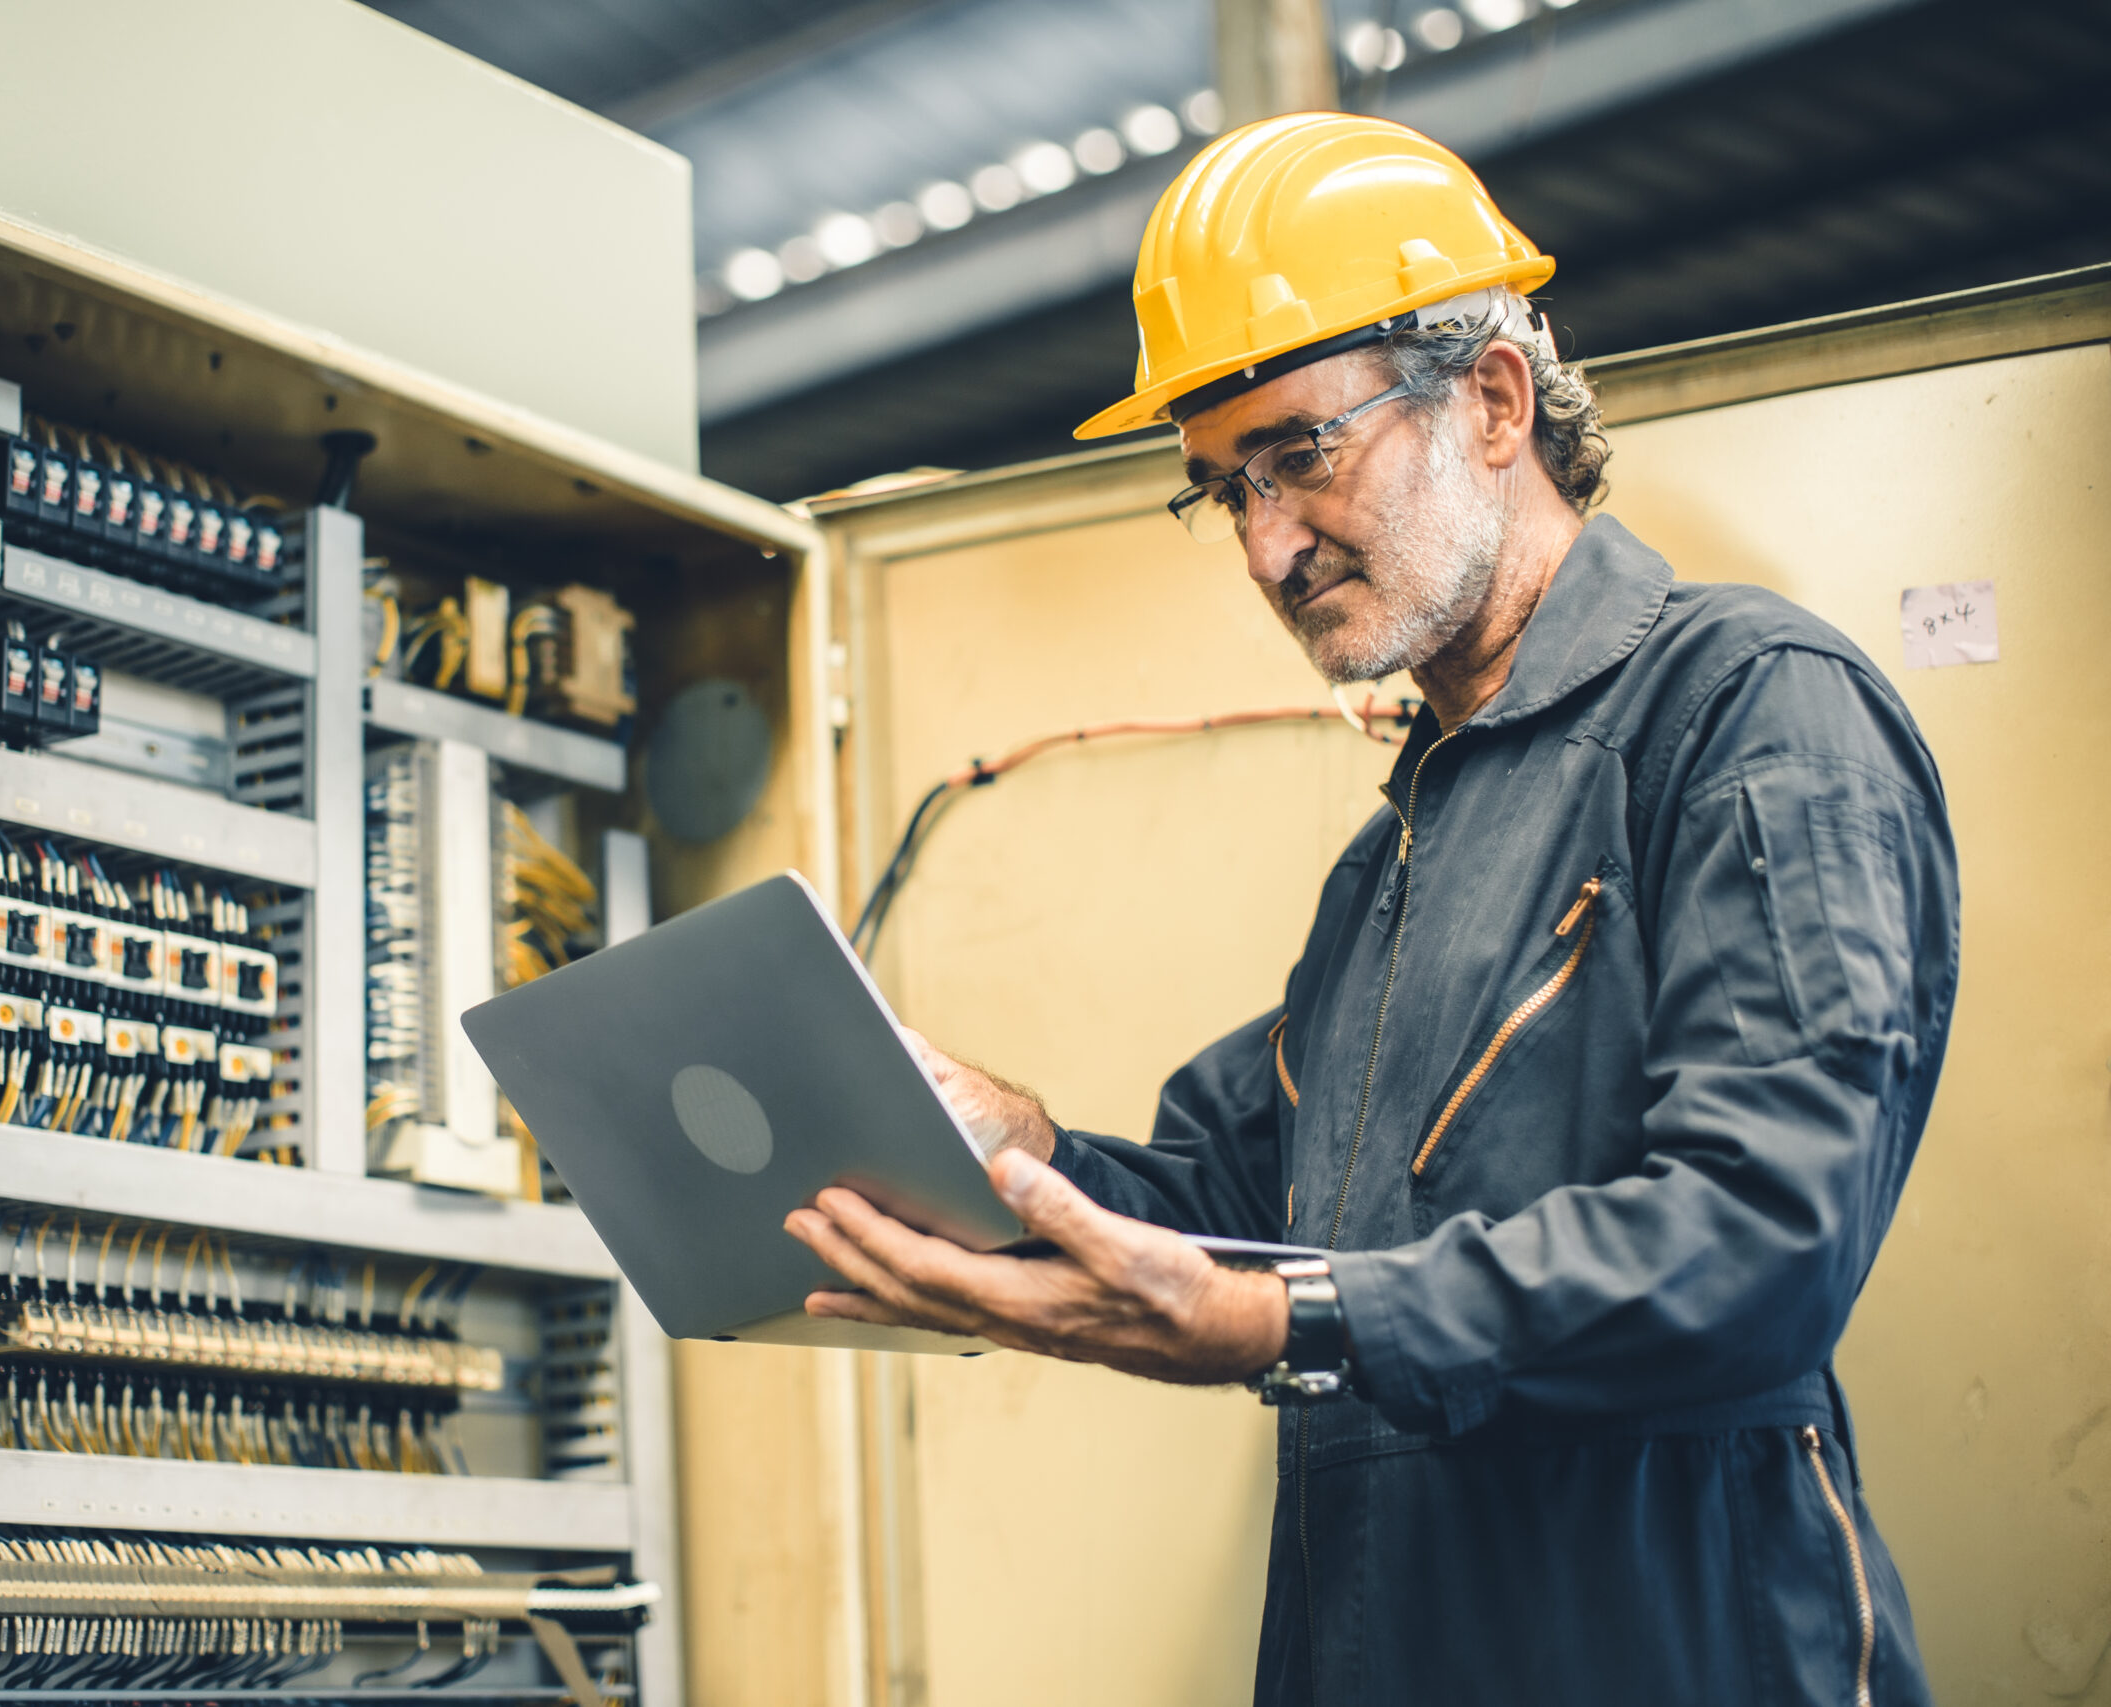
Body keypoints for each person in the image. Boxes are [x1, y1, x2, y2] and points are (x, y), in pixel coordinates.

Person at [784, 113, 1956, 1706]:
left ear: (1491, 397)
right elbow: (1235, 1196)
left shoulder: (1751, 714)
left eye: (1301, 453)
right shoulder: (1400, 852)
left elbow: (1763, 1245)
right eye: (1220, 490)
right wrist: (1020, 1150)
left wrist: (1291, 1319)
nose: (1265, 544)